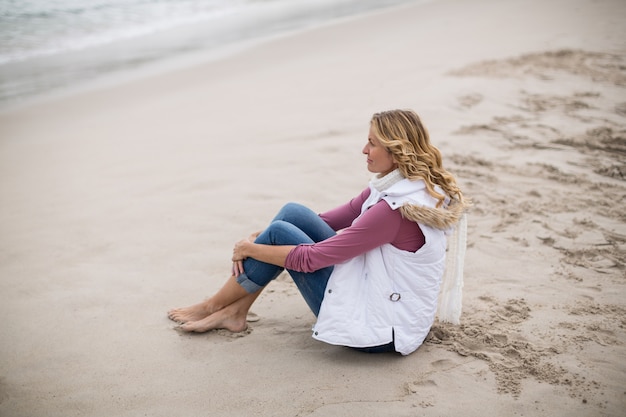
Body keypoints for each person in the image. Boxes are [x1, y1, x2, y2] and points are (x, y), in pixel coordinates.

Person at [168, 109, 470, 355]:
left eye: (372, 143)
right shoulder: (405, 185)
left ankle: (214, 306)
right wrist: (258, 237)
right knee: (291, 214)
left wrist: (251, 249)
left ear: (396, 150)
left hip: (382, 333)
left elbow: (314, 259)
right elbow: (330, 218)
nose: (364, 149)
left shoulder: (392, 211)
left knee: (279, 233)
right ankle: (235, 312)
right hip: (390, 303)